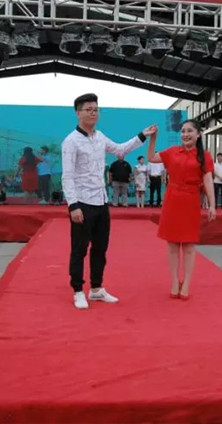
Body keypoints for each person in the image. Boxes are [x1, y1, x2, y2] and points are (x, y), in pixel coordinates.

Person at [61, 93, 157, 309]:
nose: (93, 113)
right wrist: (73, 205)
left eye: (96, 109)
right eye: (88, 109)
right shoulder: (71, 141)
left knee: (100, 248)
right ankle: (78, 290)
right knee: (79, 249)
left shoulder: (100, 137)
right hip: (82, 203)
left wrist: (142, 135)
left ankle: (96, 288)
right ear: (78, 113)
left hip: (101, 201)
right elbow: (67, 176)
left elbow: (120, 149)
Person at [147, 119, 216, 300]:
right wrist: (153, 138)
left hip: (191, 200)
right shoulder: (172, 152)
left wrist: (212, 205)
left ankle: (186, 283)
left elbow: (208, 180)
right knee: (172, 244)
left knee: (188, 245)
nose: (185, 134)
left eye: (190, 131)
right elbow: (151, 157)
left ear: (198, 134)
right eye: (183, 131)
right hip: (172, 200)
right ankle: (174, 281)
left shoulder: (204, 156)